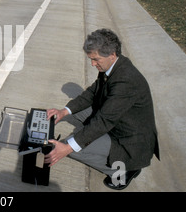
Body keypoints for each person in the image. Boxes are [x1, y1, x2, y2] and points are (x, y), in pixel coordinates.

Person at [45, 28, 159, 190]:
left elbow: (104, 120)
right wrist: (63, 111)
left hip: (129, 140)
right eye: (91, 59)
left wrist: (68, 147)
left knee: (73, 148)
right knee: (78, 115)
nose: (93, 64)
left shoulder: (126, 81)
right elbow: (93, 92)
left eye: (96, 59)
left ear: (112, 54)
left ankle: (125, 170)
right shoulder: (113, 65)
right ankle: (91, 140)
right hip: (119, 120)